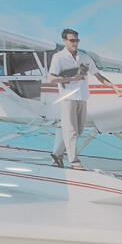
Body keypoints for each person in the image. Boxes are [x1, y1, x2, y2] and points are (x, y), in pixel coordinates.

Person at [43, 28, 93, 168]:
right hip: (68, 97)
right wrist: (71, 78)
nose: (75, 43)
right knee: (71, 131)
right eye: (72, 40)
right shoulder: (58, 57)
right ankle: (73, 161)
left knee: (78, 131)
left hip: (81, 97)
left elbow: (95, 72)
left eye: (77, 40)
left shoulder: (83, 56)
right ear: (64, 41)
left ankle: (57, 155)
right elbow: (51, 77)